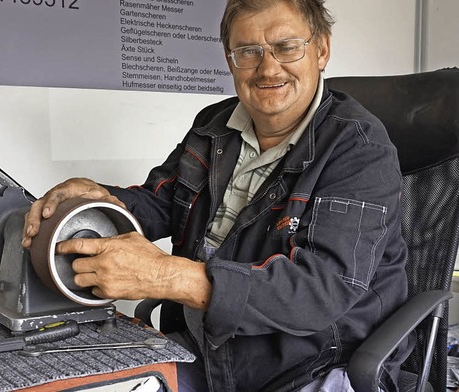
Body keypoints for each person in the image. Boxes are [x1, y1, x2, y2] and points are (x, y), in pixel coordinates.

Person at [21, 0, 411, 390]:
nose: (268, 68)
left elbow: (319, 290)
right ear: (230, 59)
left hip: (306, 364)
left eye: (286, 47)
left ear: (321, 49)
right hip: (205, 350)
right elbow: (161, 202)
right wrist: (100, 198)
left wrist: (164, 276)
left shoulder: (359, 148)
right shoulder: (214, 125)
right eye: (248, 52)